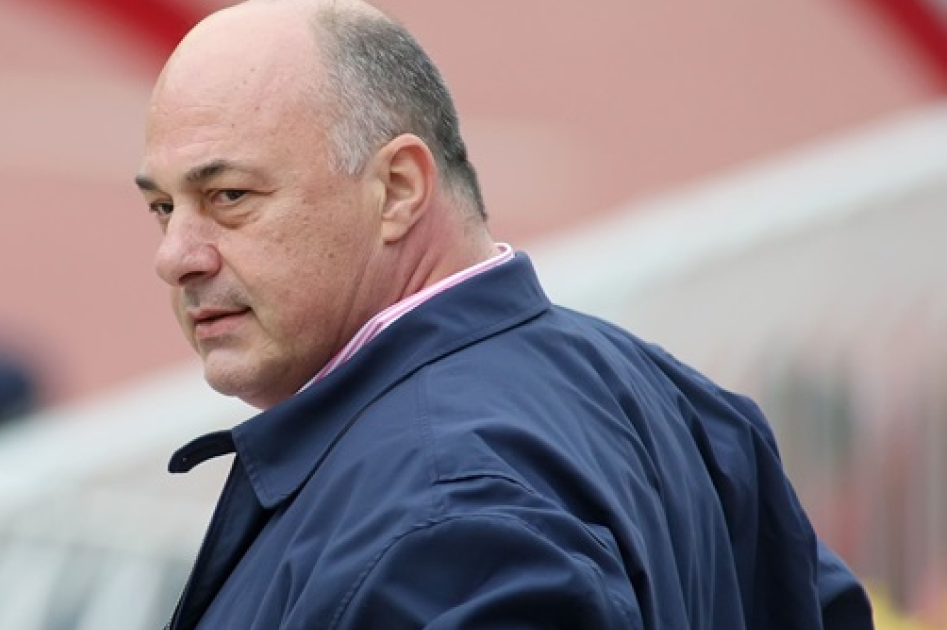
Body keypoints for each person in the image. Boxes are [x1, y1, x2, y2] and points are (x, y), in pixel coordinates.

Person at [136, 0, 875, 628]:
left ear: (398, 189)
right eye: (164, 207)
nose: (177, 256)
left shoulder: (445, 512)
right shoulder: (677, 402)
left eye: (229, 196)